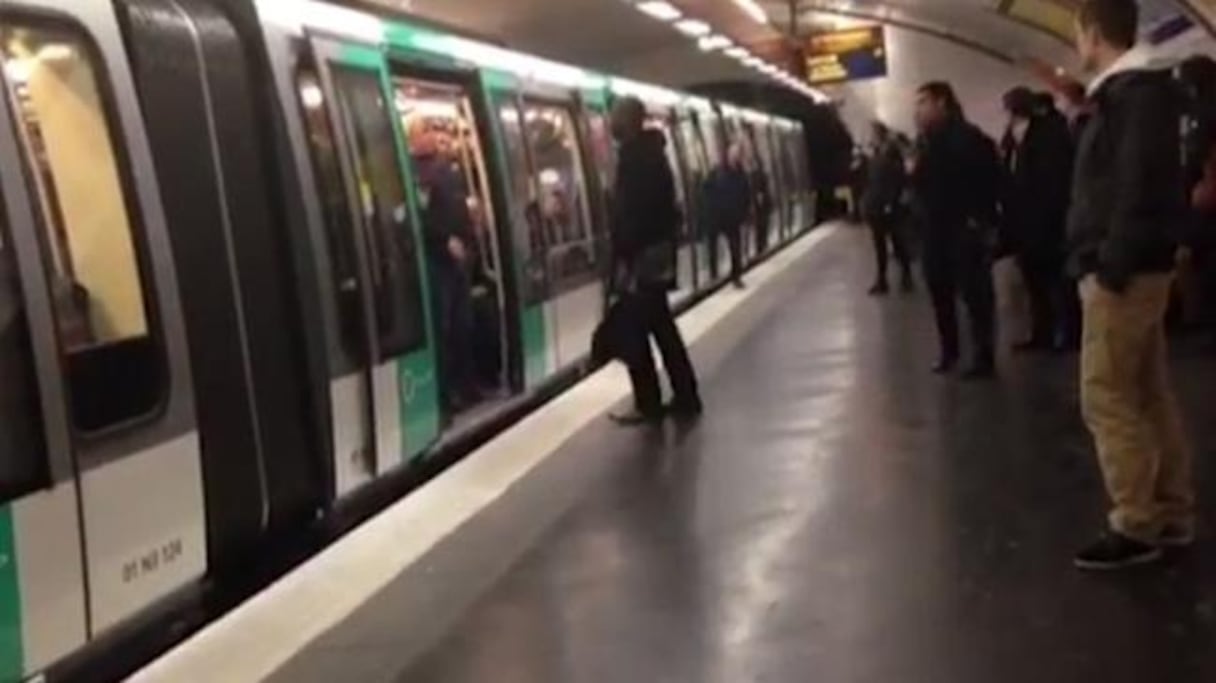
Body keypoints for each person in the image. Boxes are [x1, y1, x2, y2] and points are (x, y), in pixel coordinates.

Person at [1067, 0, 1193, 570]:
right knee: (1146, 391)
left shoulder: (1134, 95)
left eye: (1077, 29)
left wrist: (1108, 263)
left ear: (1093, 32)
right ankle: (1169, 510)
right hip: (1141, 263)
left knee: (1106, 394)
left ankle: (1136, 522)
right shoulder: (1138, 92)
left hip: (1125, 269)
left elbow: (1132, 185)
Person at [608, 95, 702, 425]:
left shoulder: (635, 160)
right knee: (662, 328)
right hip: (657, 255)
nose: (610, 123)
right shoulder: (654, 155)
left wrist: (623, 255)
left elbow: (632, 216)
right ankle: (686, 394)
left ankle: (648, 403)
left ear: (626, 122)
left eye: (614, 116)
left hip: (641, 259)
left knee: (638, 332)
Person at [911, 81, 1001, 378]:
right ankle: (950, 351)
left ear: (942, 103)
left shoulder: (968, 139)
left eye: (923, 102)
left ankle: (982, 355)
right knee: (940, 293)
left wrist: (981, 221)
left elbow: (991, 183)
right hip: (934, 232)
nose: (917, 110)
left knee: (975, 296)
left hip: (963, 230)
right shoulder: (926, 142)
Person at [411, 120, 480, 413]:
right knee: (446, 329)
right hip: (440, 262)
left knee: (459, 327)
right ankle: (450, 392)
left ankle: (463, 386)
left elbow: (459, 213)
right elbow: (420, 223)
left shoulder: (445, 179)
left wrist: (466, 241)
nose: (428, 163)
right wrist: (449, 242)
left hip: (454, 261)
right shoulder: (425, 183)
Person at [1000, 87, 1074, 351]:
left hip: (1046, 218)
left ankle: (1067, 332)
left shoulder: (1048, 135)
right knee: (1035, 281)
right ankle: (1042, 332)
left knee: (1055, 279)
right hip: (1025, 220)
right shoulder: (1014, 137)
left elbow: (1053, 181)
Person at [863, 121, 914, 294]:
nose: (870, 138)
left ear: (879, 135)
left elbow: (896, 180)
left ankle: (905, 275)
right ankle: (883, 279)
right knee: (882, 245)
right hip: (877, 206)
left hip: (888, 207)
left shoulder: (890, 155)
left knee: (896, 242)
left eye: (872, 134)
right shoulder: (876, 155)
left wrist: (891, 203)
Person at [704, 141, 752, 288]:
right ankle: (713, 273)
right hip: (718, 216)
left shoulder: (740, 173)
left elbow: (746, 194)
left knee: (735, 247)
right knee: (713, 244)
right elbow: (706, 191)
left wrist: (744, 212)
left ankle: (736, 276)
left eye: (737, 154)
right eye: (733, 153)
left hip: (733, 217)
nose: (735, 156)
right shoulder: (716, 172)